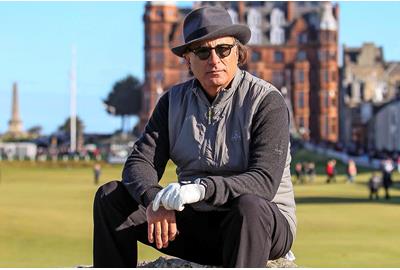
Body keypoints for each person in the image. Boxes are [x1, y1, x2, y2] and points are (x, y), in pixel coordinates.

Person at [92, 6, 296, 268]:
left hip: (260, 226)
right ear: (188, 59)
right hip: (198, 225)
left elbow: (263, 182)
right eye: (202, 51)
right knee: (110, 196)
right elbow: (138, 164)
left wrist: (201, 189)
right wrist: (155, 198)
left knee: (249, 207)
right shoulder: (172, 102)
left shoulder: (266, 101)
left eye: (223, 50)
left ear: (238, 53)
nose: (214, 60)